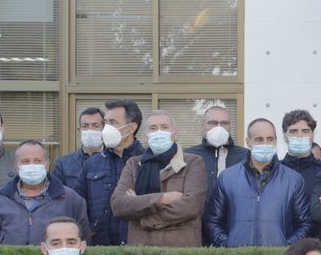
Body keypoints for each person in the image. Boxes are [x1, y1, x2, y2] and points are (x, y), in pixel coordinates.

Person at [205, 118, 313, 248]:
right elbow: (212, 222)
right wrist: (229, 246)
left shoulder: (293, 179)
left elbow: (305, 224)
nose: (265, 144)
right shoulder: (227, 178)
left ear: (276, 140)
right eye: (259, 139)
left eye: (270, 139)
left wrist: (286, 248)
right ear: (248, 142)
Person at [110, 112, 210, 247]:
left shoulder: (193, 162)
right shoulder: (134, 164)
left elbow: (191, 206)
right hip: (141, 248)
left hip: (180, 249)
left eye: (164, 127)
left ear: (175, 134)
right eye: (153, 128)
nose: (158, 132)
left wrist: (141, 213)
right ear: (145, 137)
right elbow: (118, 205)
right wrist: (163, 198)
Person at [0, 140, 90, 246]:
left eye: (38, 161)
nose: (32, 166)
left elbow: (83, 238)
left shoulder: (70, 199)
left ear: (47, 164)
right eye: (25, 161)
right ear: (16, 165)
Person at [79, 99, 145, 246]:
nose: (107, 128)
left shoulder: (147, 162)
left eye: (113, 122)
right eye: (106, 122)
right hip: (100, 247)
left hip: (136, 245)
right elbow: (78, 204)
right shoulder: (92, 163)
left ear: (131, 128)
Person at [184, 104, 250, 182]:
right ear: (203, 126)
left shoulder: (245, 155)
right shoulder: (189, 155)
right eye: (213, 123)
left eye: (224, 123)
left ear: (230, 126)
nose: (219, 127)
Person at [52, 106, 107, 196]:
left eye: (95, 126)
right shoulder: (63, 164)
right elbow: (56, 196)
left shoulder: (114, 161)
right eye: (85, 126)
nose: (90, 130)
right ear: (79, 131)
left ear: (104, 130)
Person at [280, 108, 321, 189]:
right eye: (293, 131)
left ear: (312, 135)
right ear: (285, 136)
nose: (300, 136)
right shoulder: (273, 172)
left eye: (305, 131)